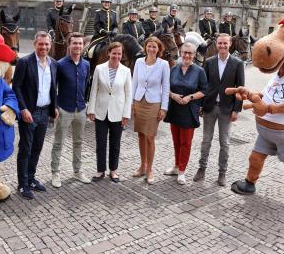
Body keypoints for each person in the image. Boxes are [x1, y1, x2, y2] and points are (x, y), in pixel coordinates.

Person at [193, 34, 245, 186]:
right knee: (206, 141)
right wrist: (201, 105)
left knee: (225, 143)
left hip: (226, 109)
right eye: (220, 43)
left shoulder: (237, 63)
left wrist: (236, 109)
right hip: (209, 107)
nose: (222, 46)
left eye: (225, 43)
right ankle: (202, 168)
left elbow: (240, 89)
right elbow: (203, 85)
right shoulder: (209, 62)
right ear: (216, 45)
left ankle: (222, 172)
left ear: (230, 44)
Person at [12, 31, 59, 200]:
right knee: (25, 148)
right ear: (35, 44)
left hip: (45, 112)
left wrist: (55, 107)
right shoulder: (24, 62)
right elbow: (16, 87)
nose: (44, 47)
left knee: (37, 148)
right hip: (29, 113)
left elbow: (53, 88)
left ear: (50, 45)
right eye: (41, 44)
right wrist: (22, 109)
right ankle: (22, 184)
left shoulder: (53, 64)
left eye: (47, 44)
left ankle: (31, 178)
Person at [51, 32, 92, 188]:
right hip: (64, 109)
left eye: (80, 44)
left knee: (78, 142)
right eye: (75, 43)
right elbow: (53, 88)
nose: (78, 46)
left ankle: (77, 171)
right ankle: (55, 172)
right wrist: (55, 107)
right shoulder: (60, 64)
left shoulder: (86, 65)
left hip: (81, 109)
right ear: (69, 45)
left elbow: (86, 86)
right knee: (58, 143)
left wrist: (86, 104)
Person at [87, 42, 132, 183]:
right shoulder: (99, 69)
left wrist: (126, 115)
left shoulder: (126, 71)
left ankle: (113, 170)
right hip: (100, 111)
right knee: (100, 142)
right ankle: (100, 170)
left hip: (118, 113)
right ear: (109, 53)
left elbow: (128, 94)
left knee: (115, 143)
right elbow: (93, 90)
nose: (116, 56)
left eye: (119, 53)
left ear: (122, 55)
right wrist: (91, 109)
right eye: (114, 53)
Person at [163, 42, 207, 184]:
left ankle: (182, 171)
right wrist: (173, 95)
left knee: (185, 143)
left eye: (190, 53)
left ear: (194, 55)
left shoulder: (199, 71)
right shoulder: (173, 69)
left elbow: (204, 91)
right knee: (176, 142)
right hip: (175, 110)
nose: (187, 55)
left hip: (189, 111)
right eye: (185, 52)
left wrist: (190, 97)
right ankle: (176, 166)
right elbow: (165, 88)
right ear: (181, 53)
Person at [131, 36, 170, 184]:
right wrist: (132, 104)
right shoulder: (139, 62)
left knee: (150, 137)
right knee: (141, 135)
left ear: (159, 49)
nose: (151, 49)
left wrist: (164, 108)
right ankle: (142, 165)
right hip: (139, 101)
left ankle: (150, 169)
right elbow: (134, 83)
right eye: (149, 46)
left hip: (154, 103)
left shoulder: (163, 65)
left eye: (154, 47)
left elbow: (166, 87)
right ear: (145, 47)